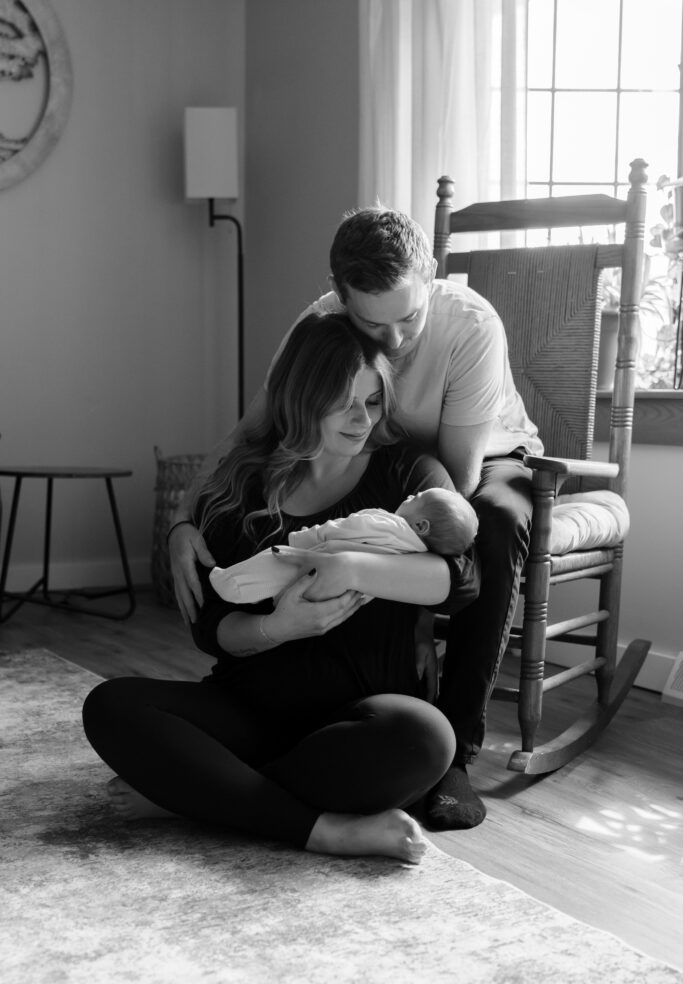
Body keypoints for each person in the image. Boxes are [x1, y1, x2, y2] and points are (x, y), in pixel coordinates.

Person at [169, 206, 542, 831]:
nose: (393, 340)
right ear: (340, 295)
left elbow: (458, 480)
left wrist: (409, 606)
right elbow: (253, 430)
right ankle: (286, 748)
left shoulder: (471, 325)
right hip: (373, 460)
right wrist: (183, 517)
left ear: (430, 275)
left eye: (408, 318)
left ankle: (456, 750)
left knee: (494, 523)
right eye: (373, 323)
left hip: (477, 461)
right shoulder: (320, 322)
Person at [82, 313, 480, 865]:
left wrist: (350, 567)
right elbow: (211, 629)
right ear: (300, 400)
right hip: (250, 710)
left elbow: (461, 582)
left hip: (357, 722)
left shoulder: (409, 475)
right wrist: (279, 627)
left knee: (427, 737)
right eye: (342, 403)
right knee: (110, 705)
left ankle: (200, 795)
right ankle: (323, 830)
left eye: (372, 402)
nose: (361, 419)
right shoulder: (242, 484)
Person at [208, 486, 478, 604]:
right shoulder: (414, 553)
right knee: (282, 584)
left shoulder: (391, 524)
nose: (409, 496)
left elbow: (351, 527)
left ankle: (230, 581)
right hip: (339, 588)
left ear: (421, 526)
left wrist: (313, 535)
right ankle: (251, 592)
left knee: (273, 562)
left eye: (416, 498)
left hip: (320, 553)